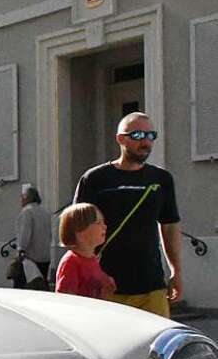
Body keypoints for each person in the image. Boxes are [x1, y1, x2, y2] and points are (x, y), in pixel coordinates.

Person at [72, 112, 180, 317]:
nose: (146, 142)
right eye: (138, 135)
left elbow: (170, 225)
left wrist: (176, 271)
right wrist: (89, 275)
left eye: (151, 135)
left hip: (152, 286)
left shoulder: (162, 179)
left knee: (156, 346)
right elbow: (76, 230)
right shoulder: (95, 179)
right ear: (120, 139)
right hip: (107, 287)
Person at [55, 203, 116, 300]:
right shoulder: (71, 262)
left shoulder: (93, 259)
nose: (105, 226)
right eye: (98, 223)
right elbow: (66, 300)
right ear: (79, 232)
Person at [11, 184, 52, 289]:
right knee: (41, 286)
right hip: (45, 256)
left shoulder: (27, 212)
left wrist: (21, 250)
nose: (21, 199)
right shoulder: (46, 213)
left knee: (24, 288)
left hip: (30, 258)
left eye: (22, 196)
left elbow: (25, 232)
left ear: (28, 197)